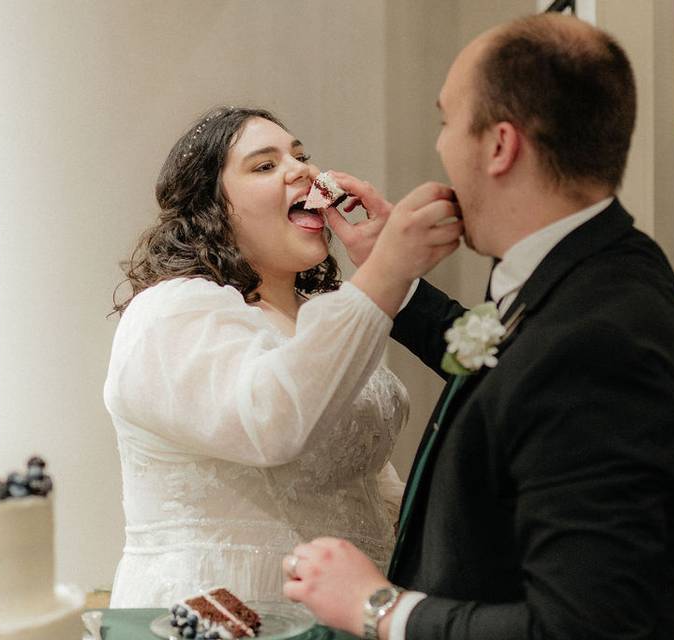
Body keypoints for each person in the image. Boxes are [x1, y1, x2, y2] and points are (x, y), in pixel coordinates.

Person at [282, 13, 674, 640]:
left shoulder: (605, 340)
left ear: (499, 145)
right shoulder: (591, 268)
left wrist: (379, 608)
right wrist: (390, 272)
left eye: (446, 121)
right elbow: (515, 375)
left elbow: (589, 628)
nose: (439, 147)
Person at [103, 106, 462, 606]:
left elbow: (365, 482)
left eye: (301, 156)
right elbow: (270, 422)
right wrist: (386, 270)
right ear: (212, 207)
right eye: (265, 165)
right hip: (222, 609)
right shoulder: (171, 311)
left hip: (350, 610)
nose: (303, 170)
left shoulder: (323, 315)